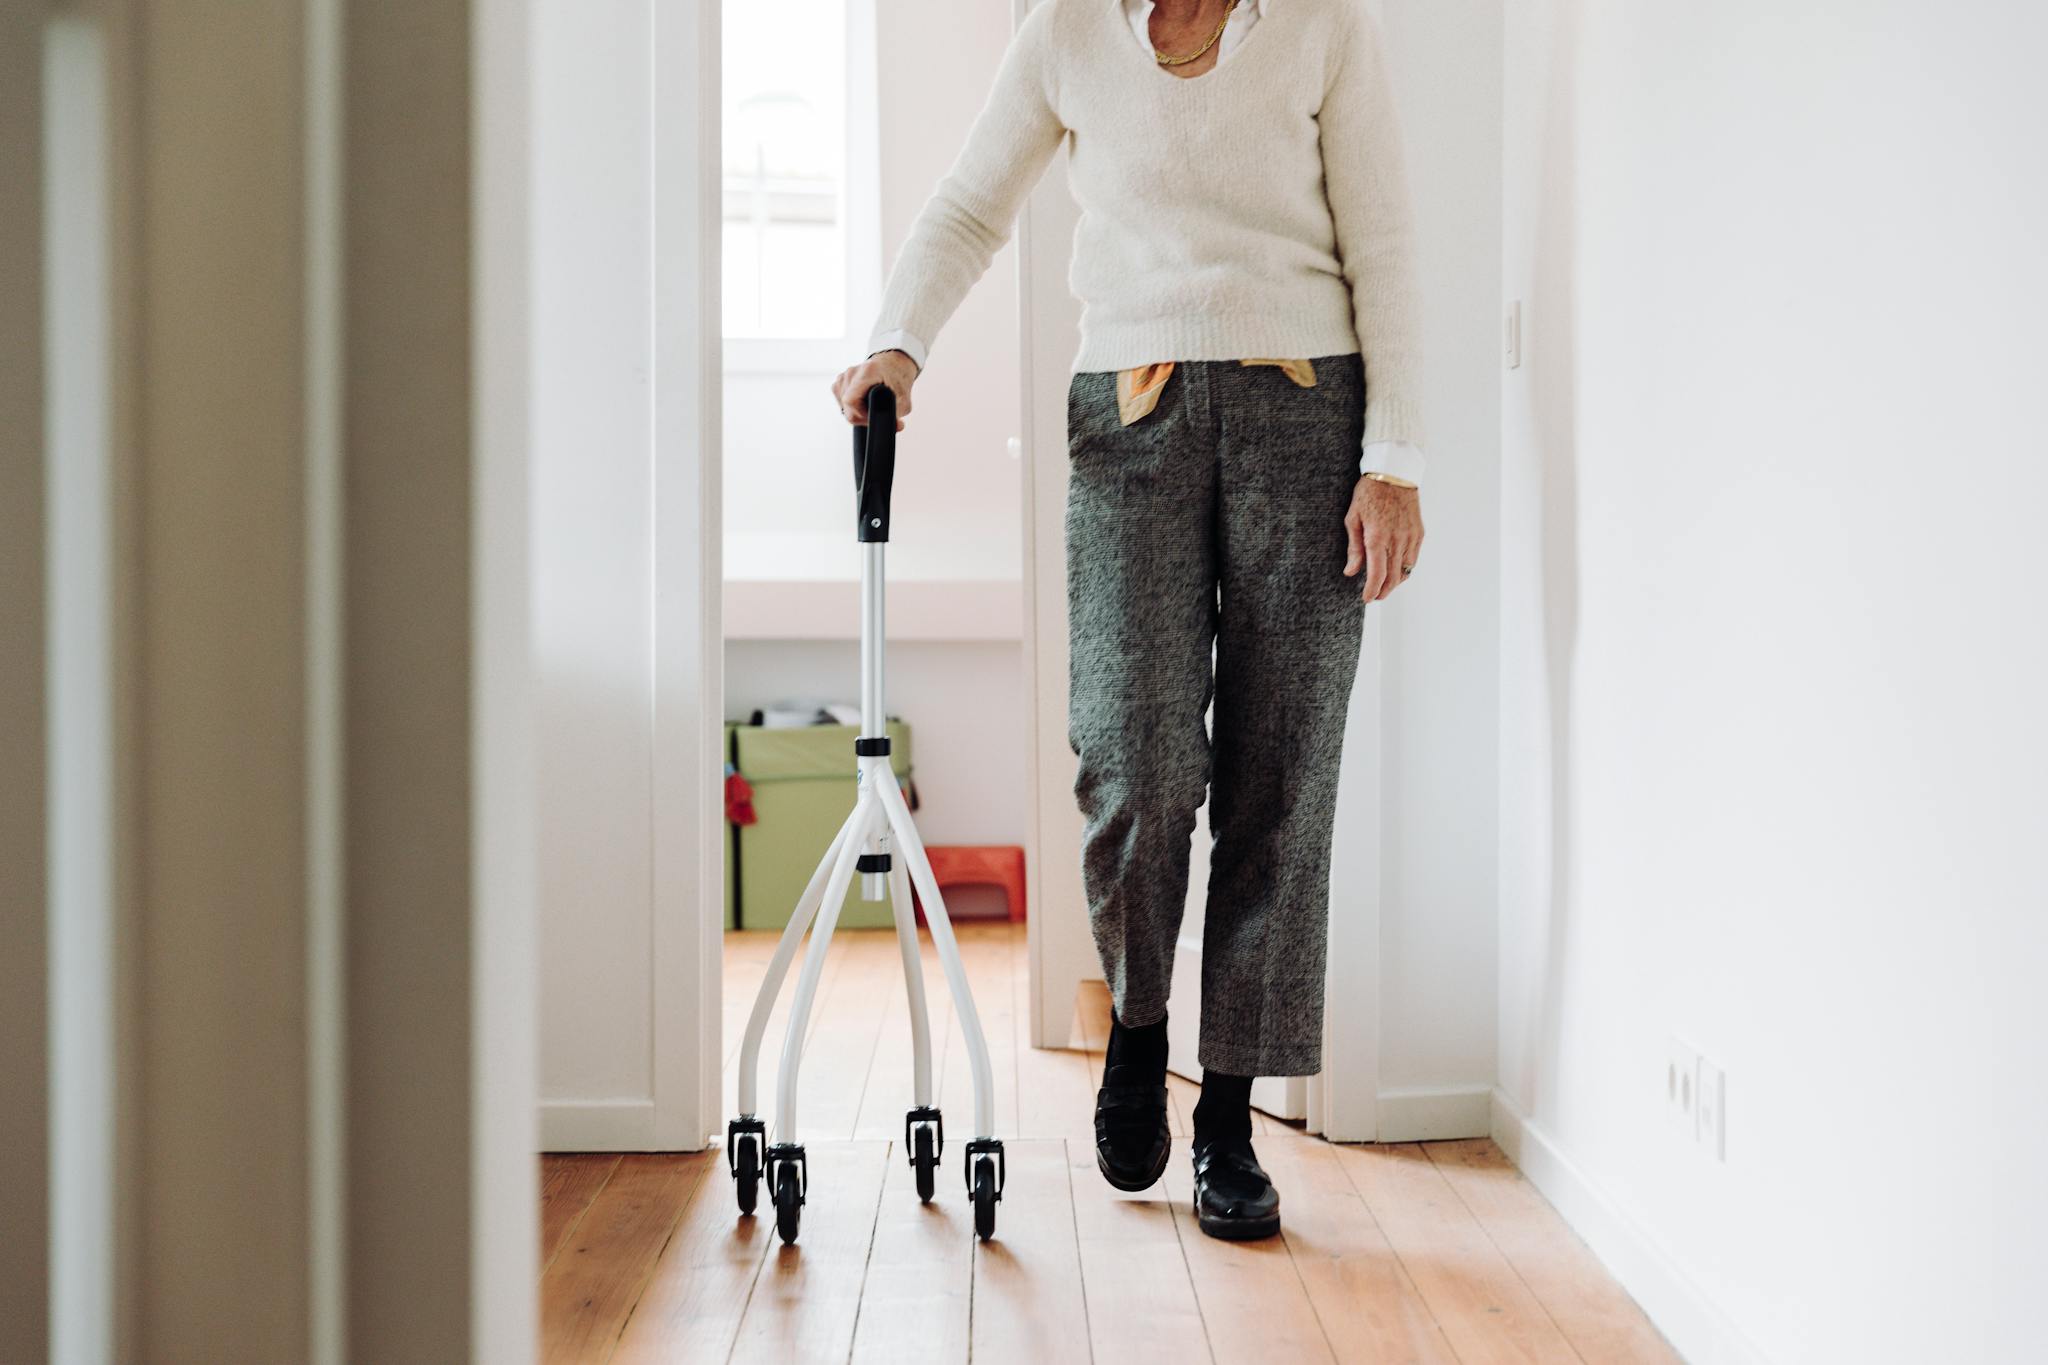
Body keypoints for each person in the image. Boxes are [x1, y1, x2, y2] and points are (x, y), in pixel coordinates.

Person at [831, 0, 1427, 1242]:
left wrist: (1394, 461)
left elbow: (1384, 243)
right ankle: (1138, 1024)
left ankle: (1227, 1113)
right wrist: (896, 342)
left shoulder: (1320, 24)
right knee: (1132, 755)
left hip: (1307, 419)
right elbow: (965, 204)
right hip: (1127, 422)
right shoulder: (1064, 30)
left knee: (1281, 778)